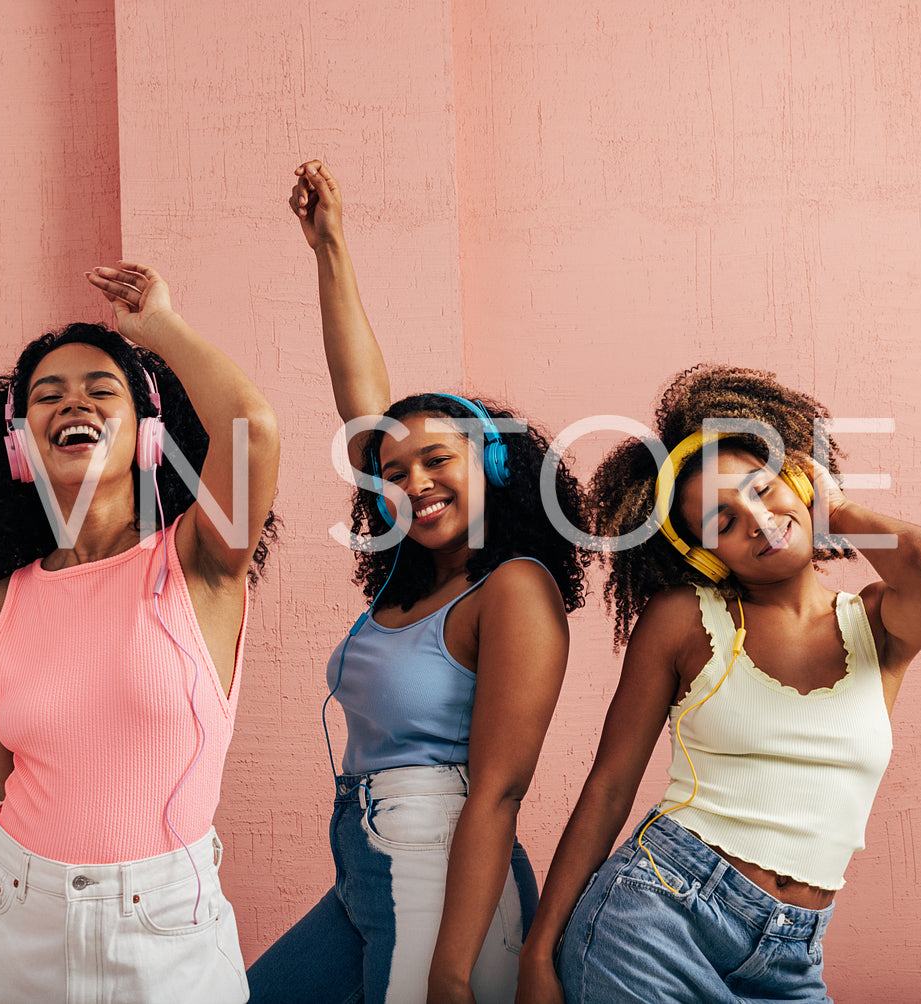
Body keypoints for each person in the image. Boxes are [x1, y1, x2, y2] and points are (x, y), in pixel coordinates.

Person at [0, 262, 280, 1003]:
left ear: (150, 438)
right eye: (47, 397)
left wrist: (160, 330)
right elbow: (2, 803)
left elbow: (253, 430)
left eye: (101, 391)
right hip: (12, 923)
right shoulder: (5, 603)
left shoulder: (198, 562)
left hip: (163, 940)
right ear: (20, 447)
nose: (72, 403)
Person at [246, 160, 590, 1004]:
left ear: (495, 466)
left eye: (437, 459)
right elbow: (362, 410)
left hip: (443, 880)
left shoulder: (513, 589)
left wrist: (453, 968)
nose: (413, 482)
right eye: (392, 471)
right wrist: (329, 250)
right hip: (369, 865)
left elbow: (500, 792)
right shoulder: (414, 583)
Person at [516, 365, 921, 1003]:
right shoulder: (684, 622)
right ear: (702, 553)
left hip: (792, 956)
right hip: (657, 916)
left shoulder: (878, 627)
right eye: (722, 521)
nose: (756, 519)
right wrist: (540, 951)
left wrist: (834, 507)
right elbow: (610, 785)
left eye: (763, 487)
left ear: (799, 476)